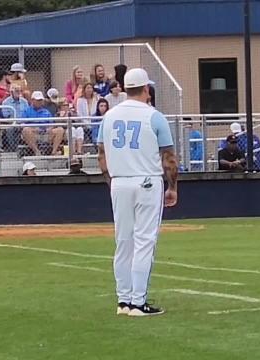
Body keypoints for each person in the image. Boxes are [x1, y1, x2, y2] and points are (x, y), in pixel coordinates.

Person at [97, 68, 178, 316]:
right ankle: (137, 302)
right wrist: (172, 186)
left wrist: (110, 180)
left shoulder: (109, 116)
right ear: (146, 89)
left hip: (120, 181)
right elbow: (169, 157)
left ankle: (124, 300)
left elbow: (101, 154)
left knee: (124, 242)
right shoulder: (154, 116)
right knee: (144, 241)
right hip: (147, 180)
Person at [21, 91, 65, 156]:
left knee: (60, 130)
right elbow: (22, 124)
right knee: (26, 130)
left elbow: (52, 124)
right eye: (38, 100)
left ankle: (54, 152)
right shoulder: (26, 110)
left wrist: (49, 128)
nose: (40, 102)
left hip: (46, 133)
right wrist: (33, 129)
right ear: (32, 100)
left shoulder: (46, 112)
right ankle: (37, 151)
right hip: (34, 134)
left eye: (41, 100)